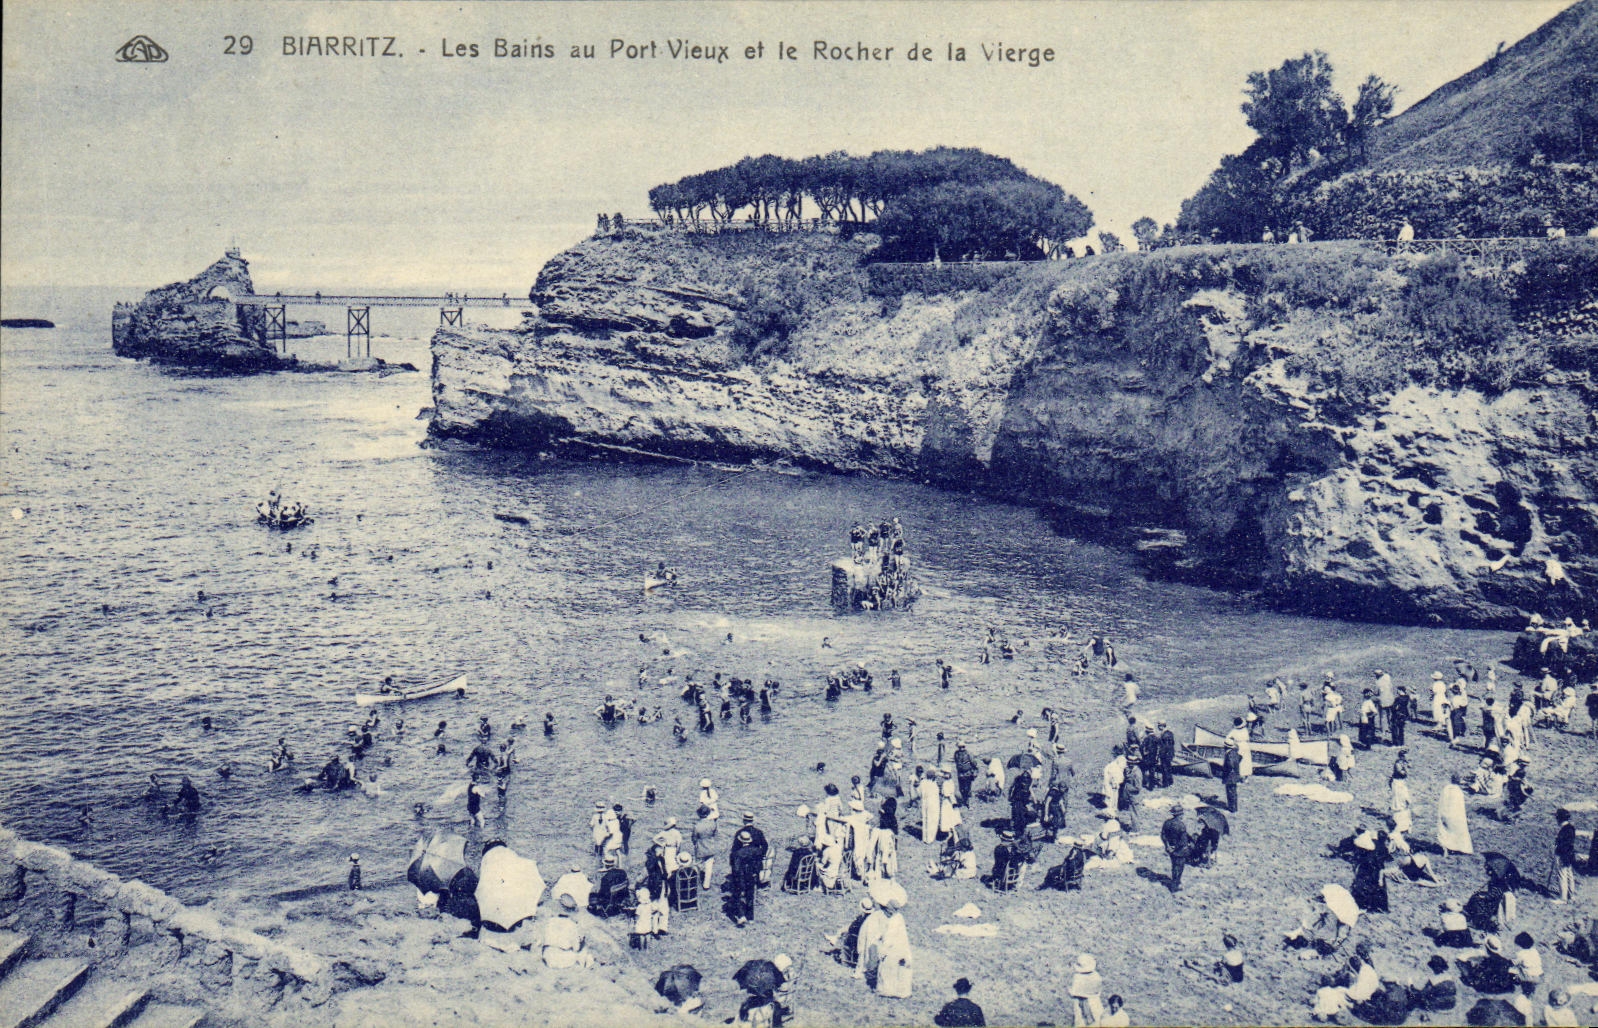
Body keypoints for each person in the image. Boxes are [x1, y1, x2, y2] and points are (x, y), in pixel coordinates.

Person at [542, 893, 594, 968]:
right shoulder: (572, 924)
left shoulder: (550, 921)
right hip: (563, 959)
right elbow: (576, 948)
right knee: (587, 955)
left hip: (547, 956)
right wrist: (582, 942)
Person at [729, 828, 763, 926]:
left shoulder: (738, 853)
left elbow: (735, 868)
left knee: (737, 895)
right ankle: (750, 917)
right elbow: (759, 865)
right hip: (752, 876)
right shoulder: (757, 851)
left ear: (740, 840)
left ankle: (741, 915)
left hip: (741, 877)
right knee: (750, 895)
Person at [1162, 803, 1195, 893]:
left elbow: (1163, 836)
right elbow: (1183, 842)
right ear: (1180, 815)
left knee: (1174, 866)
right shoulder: (1181, 826)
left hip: (1170, 849)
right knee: (1179, 868)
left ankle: (1175, 882)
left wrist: (1168, 846)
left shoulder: (1167, 823)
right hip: (1180, 850)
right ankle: (1175, 885)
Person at [1069, 954, 1103, 1027]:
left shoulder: (1077, 977)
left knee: (1081, 1022)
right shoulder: (1096, 976)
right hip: (1095, 1003)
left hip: (1081, 1005)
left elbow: (1074, 993)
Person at [1553, 808, 1578, 902]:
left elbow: (1563, 844)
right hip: (1570, 855)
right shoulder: (1571, 828)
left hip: (1563, 855)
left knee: (1562, 875)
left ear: (1559, 819)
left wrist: (1557, 844)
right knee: (1569, 875)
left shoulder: (1564, 830)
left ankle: (1563, 898)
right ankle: (1572, 896)